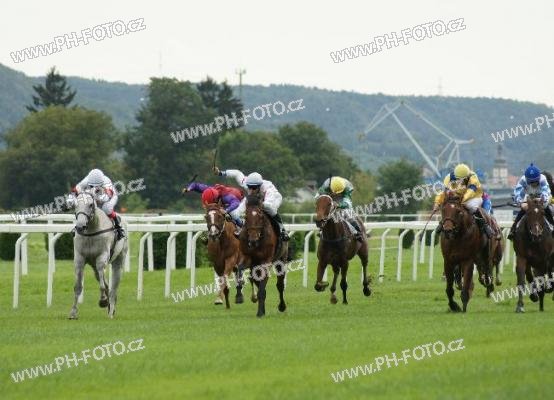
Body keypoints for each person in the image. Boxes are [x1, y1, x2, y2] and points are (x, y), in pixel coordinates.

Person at [214, 167, 289, 241]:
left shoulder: (268, 189)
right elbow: (237, 173)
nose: (251, 190)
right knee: (237, 211)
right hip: (258, 199)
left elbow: (268, 204)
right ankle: (242, 227)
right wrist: (220, 173)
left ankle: (282, 229)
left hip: (274, 199)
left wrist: (261, 204)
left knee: (270, 209)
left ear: (259, 186)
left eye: (254, 188)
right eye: (249, 187)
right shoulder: (246, 182)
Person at [433, 163, 494, 238]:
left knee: (471, 206)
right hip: (458, 197)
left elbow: (470, 192)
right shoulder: (449, 178)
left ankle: (484, 225)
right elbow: (442, 192)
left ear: (467, 177)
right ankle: (442, 223)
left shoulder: (473, 177)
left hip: (474, 196)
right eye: (458, 179)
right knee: (449, 207)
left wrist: (461, 201)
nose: (460, 181)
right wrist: (437, 203)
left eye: (462, 179)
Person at [70, 169, 125, 240]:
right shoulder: (86, 180)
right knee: (84, 206)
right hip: (95, 196)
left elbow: (106, 198)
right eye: (92, 186)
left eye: (97, 186)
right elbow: (75, 191)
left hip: (110, 197)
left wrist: (94, 197)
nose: (94, 187)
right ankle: (79, 225)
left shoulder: (106, 182)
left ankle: (118, 227)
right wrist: (70, 199)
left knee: (106, 209)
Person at [507, 163, 554, 240]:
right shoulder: (523, 180)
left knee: (546, 208)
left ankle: (552, 225)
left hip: (542, 198)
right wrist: (521, 203)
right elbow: (517, 193)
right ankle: (514, 228)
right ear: (527, 180)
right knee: (522, 211)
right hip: (530, 196)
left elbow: (546, 192)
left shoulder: (543, 179)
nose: (534, 184)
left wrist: (541, 199)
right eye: (531, 182)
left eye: (536, 181)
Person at [317, 176, 363, 242]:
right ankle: (321, 230)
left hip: (342, 199)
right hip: (328, 196)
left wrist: (338, 205)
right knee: (324, 211)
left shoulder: (347, 188)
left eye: (339, 193)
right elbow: (318, 197)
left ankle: (357, 232)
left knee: (348, 213)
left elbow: (348, 204)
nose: (336, 194)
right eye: (335, 192)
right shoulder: (325, 187)